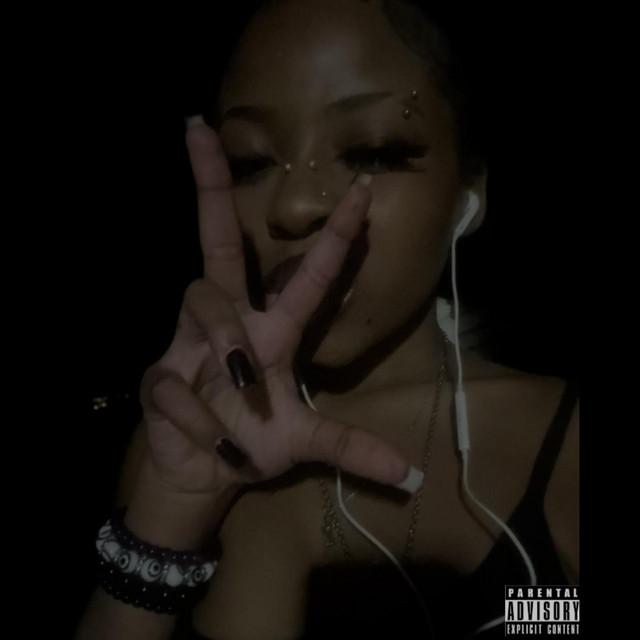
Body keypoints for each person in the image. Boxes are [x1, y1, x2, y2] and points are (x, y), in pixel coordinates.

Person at [76, 1, 579, 638]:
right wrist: (168, 519)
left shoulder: (560, 437)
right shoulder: (183, 438)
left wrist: (539, 613)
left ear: (468, 191)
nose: (293, 206)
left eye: (371, 151)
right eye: (251, 162)